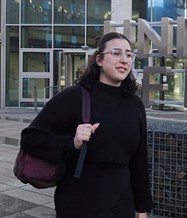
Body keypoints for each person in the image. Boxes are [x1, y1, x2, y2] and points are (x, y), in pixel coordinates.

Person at [20, 32, 154, 218]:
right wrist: (71, 142)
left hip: (122, 203)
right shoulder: (74, 97)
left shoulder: (135, 105)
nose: (124, 59)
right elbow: (30, 139)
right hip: (79, 203)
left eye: (129, 55)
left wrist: (142, 208)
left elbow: (139, 160)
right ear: (99, 60)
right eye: (116, 53)